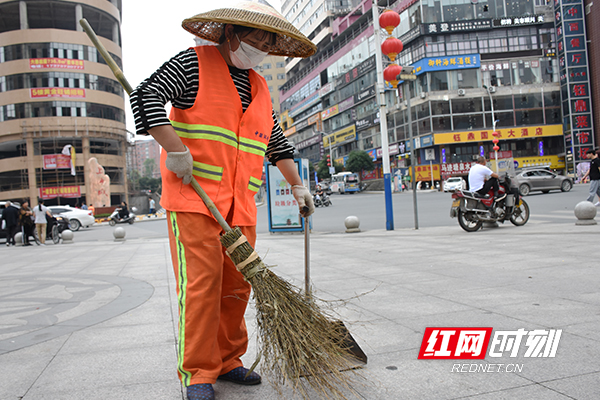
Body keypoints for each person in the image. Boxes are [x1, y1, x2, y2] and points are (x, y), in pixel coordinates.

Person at [129, 2, 316, 399]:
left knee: (236, 286)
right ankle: (198, 371)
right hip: (193, 199)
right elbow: (145, 97)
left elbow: (276, 144)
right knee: (202, 286)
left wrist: (298, 186)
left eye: (269, 41)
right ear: (229, 32)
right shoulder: (192, 65)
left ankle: (229, 359)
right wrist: (175, 149)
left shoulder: (261, 87)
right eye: (256, 37)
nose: (262, 46)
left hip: (240, 205)